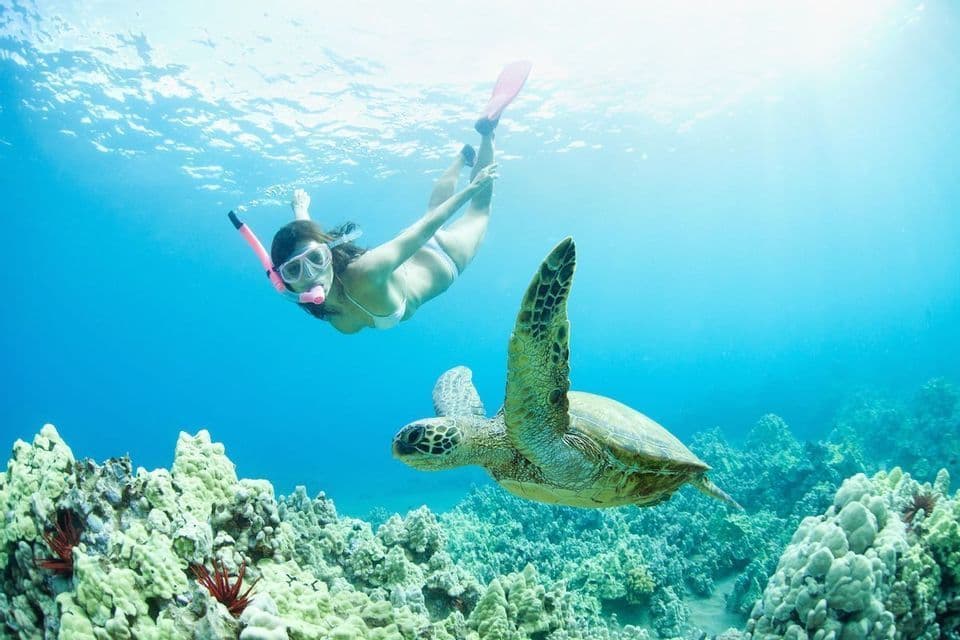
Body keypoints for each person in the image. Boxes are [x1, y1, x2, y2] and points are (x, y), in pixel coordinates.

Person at [232, 61, 531, 333]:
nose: (310, 273)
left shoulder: (366, 271)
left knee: (478, 209)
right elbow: (310, 243)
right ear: (284, 282)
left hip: (445, 258)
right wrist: (301, 211)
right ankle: (460, 160)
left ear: (328, 253)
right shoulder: (321, 302)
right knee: (432, 208)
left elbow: (423, 230)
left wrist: (473, 188)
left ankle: (487, 132)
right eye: (295, 269)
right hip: (414, 255)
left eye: (316, 259)